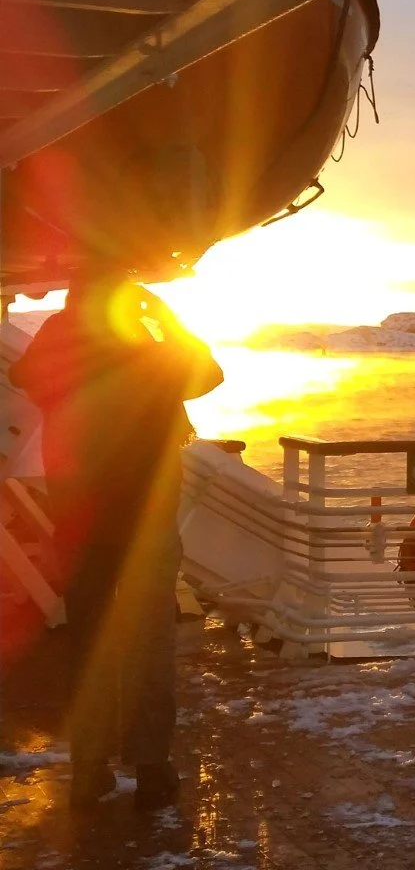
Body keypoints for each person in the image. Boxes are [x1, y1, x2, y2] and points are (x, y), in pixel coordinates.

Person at [9, 267, 224, 811]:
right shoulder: (150, 353)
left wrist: (68, 321)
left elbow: (28, 375)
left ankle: (89, 769)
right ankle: (151, 769)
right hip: (144, 524)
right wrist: (164, 319)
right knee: (150, 641)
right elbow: (208, 375)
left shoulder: (61, 352)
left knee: (88, 638)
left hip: (80, 523)